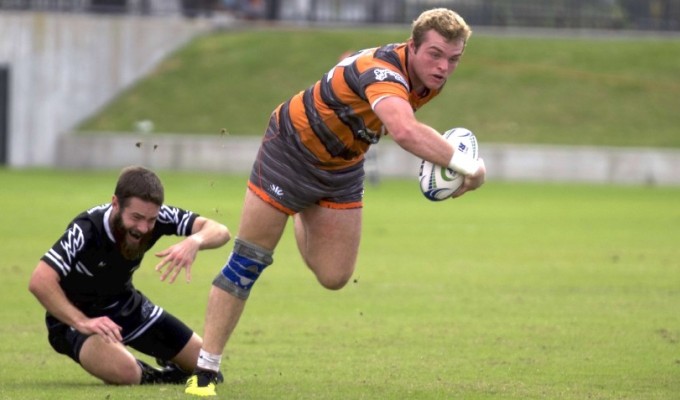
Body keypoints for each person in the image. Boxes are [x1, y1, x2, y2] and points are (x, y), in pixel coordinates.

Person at [185, 8, 486, 396]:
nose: (444, 67)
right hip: (289, 152)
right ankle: (206, 370)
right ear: (411, 46)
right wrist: (472, 169)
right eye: (435, 54)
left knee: (334, 276)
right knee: (249, 261)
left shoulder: (428, 78)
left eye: (454, 59)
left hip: (342, 167)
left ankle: (299, 212)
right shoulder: (382, 70)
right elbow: (405, 130)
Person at [28, 165, 231, 385]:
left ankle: (167, 360)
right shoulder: (86, 229)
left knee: (207, 368)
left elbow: (221, 231)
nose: (143, 228)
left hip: (126, 307)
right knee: (127, 373)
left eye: (151, 220)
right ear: (115, 203)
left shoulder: (157, 217)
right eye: (136, 217)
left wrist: (195, 241)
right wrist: (83, 322)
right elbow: (40, 280)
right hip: (74, 320)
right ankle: (151, 374)